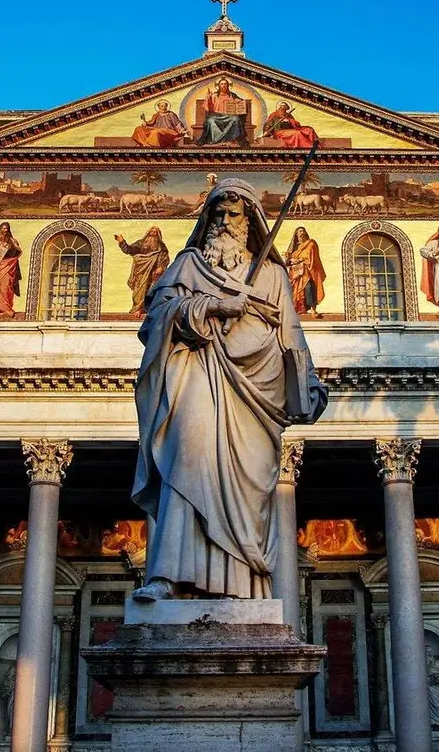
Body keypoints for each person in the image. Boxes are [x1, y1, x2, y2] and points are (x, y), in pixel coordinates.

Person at [130, 179, 328, 601]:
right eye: (217, 214)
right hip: (198, 373)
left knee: (248, 486)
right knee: (187, 458)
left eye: (233, 214)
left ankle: (241, 589)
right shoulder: (188, 266)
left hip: (257, 393)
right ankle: (167, 577)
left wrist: (308, 383)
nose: (224, 221)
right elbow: (154, 321)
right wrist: (214, 305)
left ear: (249, 221)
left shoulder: (273, 274)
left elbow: (291, 336)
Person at [115, 227, 170, 316]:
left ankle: (148, 309)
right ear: (148, 233)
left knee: (152, 290)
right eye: (151, 232)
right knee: (139, 290)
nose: (153, 234)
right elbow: (129, 250)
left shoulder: (161, 246)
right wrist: (122, 242)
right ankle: (138, 308)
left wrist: (161, 267)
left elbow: (164, 257)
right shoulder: (140, 243)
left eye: (155, 232)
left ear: (158, 235)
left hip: (154, 273)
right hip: (141, 271)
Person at [284, 226, 326, 317]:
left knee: (309, 287)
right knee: (296, 291)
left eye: (303, 231)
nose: (301, 232)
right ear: (296, 235)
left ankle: (313, 310)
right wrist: (291, 260)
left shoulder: (310, 243)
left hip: (308, 271)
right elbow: (288, 262)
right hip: (297, 274)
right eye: (299, 231)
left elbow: (312, 256)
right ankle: (299, 309)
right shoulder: (295, 248)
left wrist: (300, 259)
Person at [196, 77, 248, 145]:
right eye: (222, 84)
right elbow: (207, 108)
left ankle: (231, 139)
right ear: (219, 86)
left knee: (236, 119)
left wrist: (239, 102)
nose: (223, 86)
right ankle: (217, 140)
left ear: (228, 86)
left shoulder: (232, 95)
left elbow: (241, 103)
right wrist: (208, 97)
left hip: (228, 116)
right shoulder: (214, 95)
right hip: (216, 116)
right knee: (210, 121)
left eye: (225, 84)